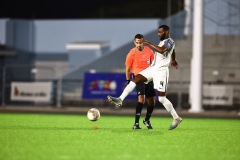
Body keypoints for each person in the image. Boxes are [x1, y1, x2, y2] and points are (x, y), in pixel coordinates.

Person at [107, 25, 182, 130]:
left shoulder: (169, 41)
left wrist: (148, 43)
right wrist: (173, 60)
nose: (158, 34)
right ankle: (120, 99)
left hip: (161, 71)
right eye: (158, 32)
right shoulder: (164, 42)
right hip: (153, 68)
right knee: (136, 78)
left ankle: (176, 118)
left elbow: (161, 50)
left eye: (160, 32)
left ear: (166, 32)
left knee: (161, 98)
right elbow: (172, 50)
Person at [125, 34, 156, 129]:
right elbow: (128, 69)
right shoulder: (131, 53)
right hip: (138, 78)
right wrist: (128, 80)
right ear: (135, 42)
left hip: (149, 78)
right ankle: (136, 124)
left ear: (144, 42)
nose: (139, 44)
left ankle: (147, 120)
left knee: (152, 101)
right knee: (141, 99)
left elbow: (154, 64)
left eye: (141, 42)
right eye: (137, 43)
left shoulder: (149, 51)